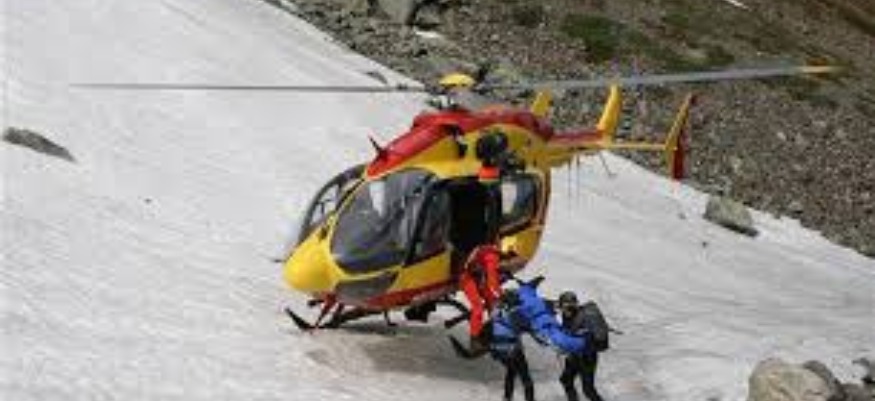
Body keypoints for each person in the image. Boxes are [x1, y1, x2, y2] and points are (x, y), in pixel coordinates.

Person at [556, 291, 604, 401]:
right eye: (563, 306)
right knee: (566, 380)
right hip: (574, 356)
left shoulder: (584, 318)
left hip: (586, 358)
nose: (564, 309)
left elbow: (586, 338)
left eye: (566, 305)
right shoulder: (567, 314)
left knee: (588, 390)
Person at [489, 289, 535, 401]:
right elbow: (528, 326)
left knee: (511, 371)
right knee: (525, 376)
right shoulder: (515, 313)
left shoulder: (495, 311)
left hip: (498, 350)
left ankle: (507, 397)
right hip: (512, 349)